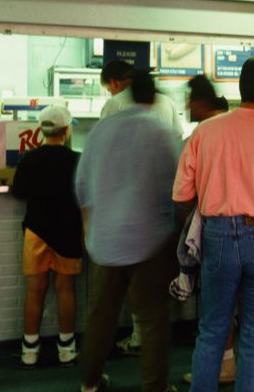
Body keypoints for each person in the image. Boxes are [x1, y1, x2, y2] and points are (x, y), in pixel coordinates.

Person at [172, 57, 254, 392]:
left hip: (217, 236)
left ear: (239, 88)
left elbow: (182, 196)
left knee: (213, 331)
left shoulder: (205, 132)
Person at [76, 72, 179, 392]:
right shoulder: (160, 132)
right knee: (152, 320)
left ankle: (89, 382)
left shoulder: (101, 130)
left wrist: (90, 231)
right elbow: (174, 188)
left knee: (100, 318)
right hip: (149, 242)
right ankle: (155, 386)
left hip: (105, 242)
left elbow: (82, 187)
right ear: (153, 100)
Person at [100, 60, 183, 357]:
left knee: (123, 284)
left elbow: (103, 155)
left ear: (115, 83)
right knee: (153, 283)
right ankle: (150, 344)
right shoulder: (168, 104)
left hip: (124, 208)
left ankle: (134, 339)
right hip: (162, 203)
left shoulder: (114, 105)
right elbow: (177, 143)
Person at [173, 76, 236, 387]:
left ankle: (216, 370)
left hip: (213, 229)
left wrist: (187, 228)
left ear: (199, 102)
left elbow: (183, 194)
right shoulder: (241, 130)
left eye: (189, 101)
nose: (187, 107)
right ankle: (231, 363)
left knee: (214, 312)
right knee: (237, 309)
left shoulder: (200, 135)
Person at [12, 105, 83, 369]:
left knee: (35, 291)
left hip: (36, 232)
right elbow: (84, 195)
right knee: (65, 290)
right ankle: (67, 348)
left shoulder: (29, 159)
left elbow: (18, 192)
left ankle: (29, 351)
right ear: (66, 130)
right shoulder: (77, 160)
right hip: (68, 233)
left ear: (42, 130)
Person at [100, 59, 183, 140]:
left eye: (109, 89)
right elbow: (178, 138)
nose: (111, 94)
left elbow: (103, 139)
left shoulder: (113, 103)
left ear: (114, 83)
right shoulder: (168, 102)